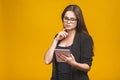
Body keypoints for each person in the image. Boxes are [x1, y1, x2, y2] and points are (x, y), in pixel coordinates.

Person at [44, 4, 94, 80]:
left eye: (72, 19)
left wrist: (74, 63)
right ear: (62, 19)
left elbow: (87, 67)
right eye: (66, 18)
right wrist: (56, 40)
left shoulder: (85, 38)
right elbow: (47, 61)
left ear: (78, 20)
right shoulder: (58, 36)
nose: (68, 22)